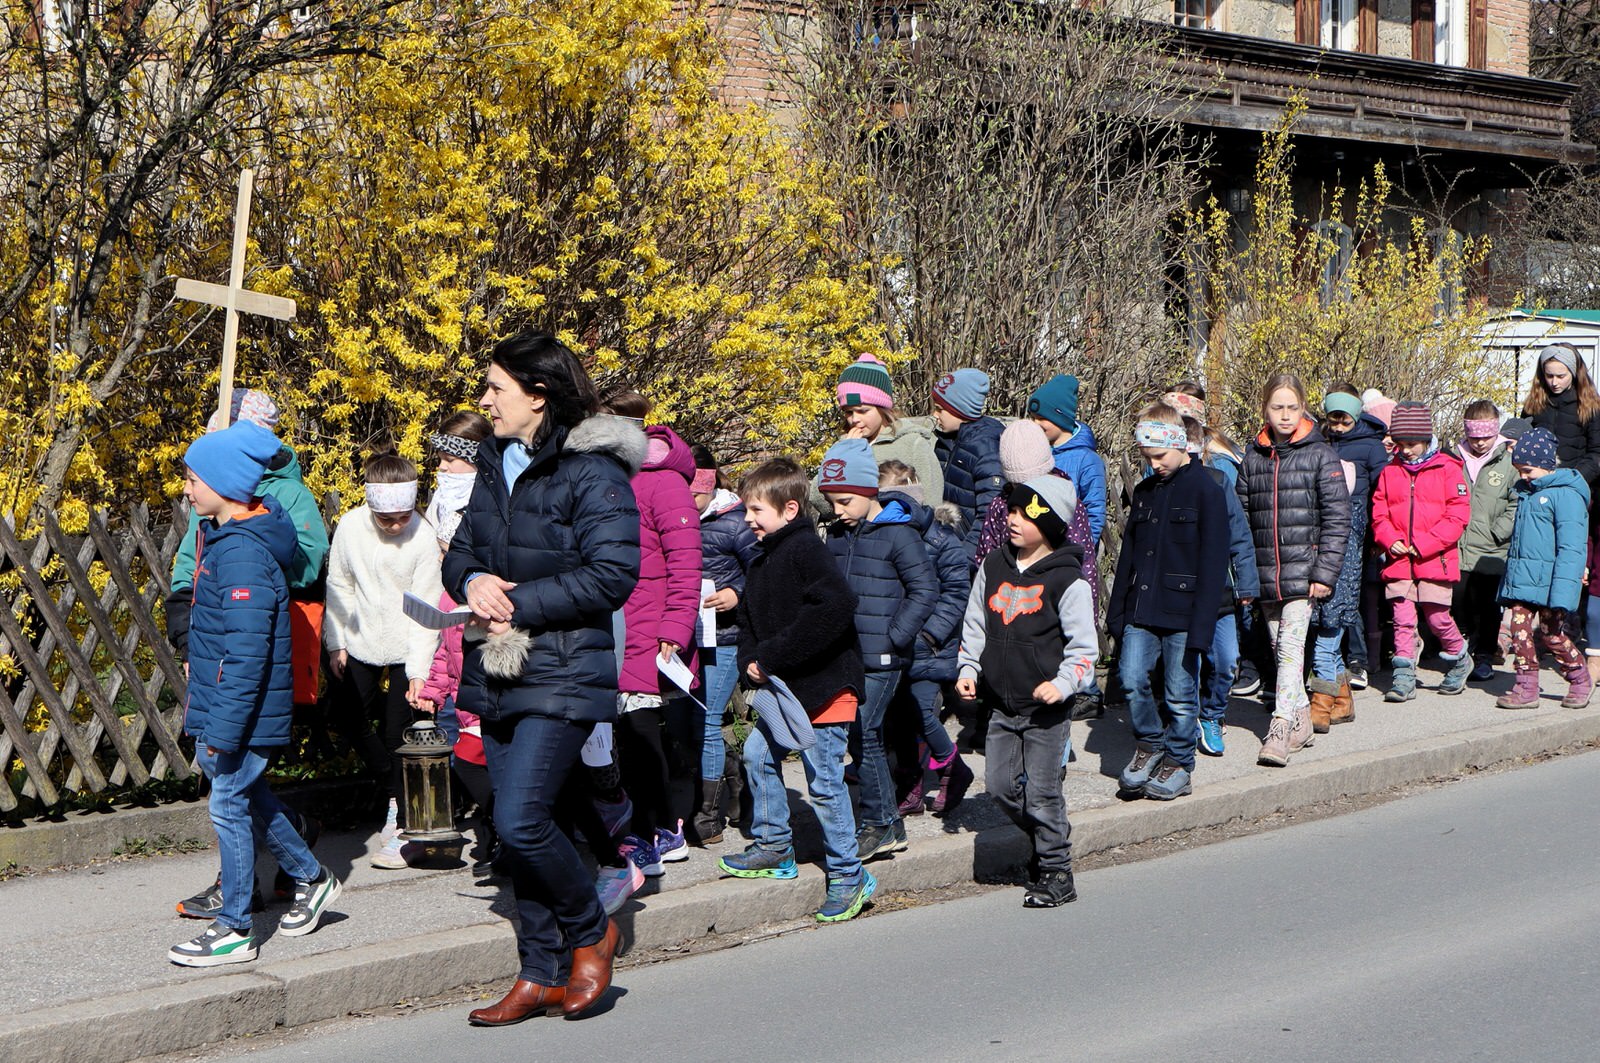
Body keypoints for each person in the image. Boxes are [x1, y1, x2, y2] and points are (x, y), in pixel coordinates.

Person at [445, 331, 644, 1024]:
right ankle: (540, 970)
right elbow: (462, 551)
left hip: (562, 671)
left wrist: (514, 601)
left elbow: (614, 573)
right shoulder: (494, 463)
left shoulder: (593, 471)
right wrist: (471, 579)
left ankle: (592, 930)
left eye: (496, 387)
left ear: (538, 394)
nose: (484, 400)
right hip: (499, 669)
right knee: (529, 824)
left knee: (520, 818)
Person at [168, 420, 342, 967]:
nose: (187, 489)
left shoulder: (241, 552)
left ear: (226, 483)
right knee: (251, 796)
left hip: (241, 711)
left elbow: (246, 657)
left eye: (195, 478)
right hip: (232, 707)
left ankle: (235, 927)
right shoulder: (227, 539)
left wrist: (221, 730)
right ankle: (312, 878)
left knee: (228, 804)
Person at [718, 458, 878, 924]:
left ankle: (849, 875)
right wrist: (753, 659)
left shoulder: (806, 548)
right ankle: (774, 846)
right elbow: (748, 618)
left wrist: (772, 657)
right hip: (789, 690)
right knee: (755, 755)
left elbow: (836, 606)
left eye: (754, 510)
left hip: (825, 689)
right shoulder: (766, 555)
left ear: (790, 509)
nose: (747, 519)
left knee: (824, 783)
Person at [956, 475, 1095, 908]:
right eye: (1011, 511)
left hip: (1046, 711)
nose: (1012, 520)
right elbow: (976, 622)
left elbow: (1084, 649)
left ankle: (1057, 871)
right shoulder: (994, 566)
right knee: (999, 786)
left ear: (1049, 524)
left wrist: (1063, 684)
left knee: (1043, 792)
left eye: (1024, 514)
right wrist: (968, 666)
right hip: (1000, 703)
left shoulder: (1067, 580)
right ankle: (1044, 838)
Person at [818, 438, 938, 861]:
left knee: (864, 731)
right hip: (848, 653)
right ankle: (886, 822)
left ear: (868, 491)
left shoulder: (898, 534)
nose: (838, 511)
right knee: (861, 733)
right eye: (832, 502)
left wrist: (895, 637)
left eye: (845, 501)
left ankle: (881, 822)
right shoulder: (837, 533)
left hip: (884, 655)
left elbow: (925, 589)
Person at [323, 453, 445, 869]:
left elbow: (427, 605)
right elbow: (339, 581)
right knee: (345, 715)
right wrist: (335, 640)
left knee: (397, 732)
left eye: (402, 517)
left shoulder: (423, 537)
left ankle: (400, 813)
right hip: (358, 637)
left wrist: (418, 670)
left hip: (406, 638)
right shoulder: (351, 527)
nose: (395, 526)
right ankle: (392, 789)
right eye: (385, 518)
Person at [1108, 405, 1229, 800]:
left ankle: (1179, 761)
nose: (1154, 464)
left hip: (1183, 615)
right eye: (1147, 457)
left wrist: (1202, 630)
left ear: (1180, 446)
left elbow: (1213, 566)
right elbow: (1129, 558)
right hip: (1143, 611)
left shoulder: (1207, 491)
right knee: (1130, 679)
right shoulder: (1143, 494)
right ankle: (1149, 744)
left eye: (1160, 456)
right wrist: (1118, 613)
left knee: (1180, 693)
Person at [606, 392, 703, 873]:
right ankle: (643, 828)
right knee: (621, 738)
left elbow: (686, 565)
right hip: (612, 625)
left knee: (640, 736)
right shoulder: (605, 478)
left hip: (650, 628)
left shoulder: (664, 483)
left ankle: (661, 832)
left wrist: (675, 629)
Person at [1236, 373, 1351, 767]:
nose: (1285, 415)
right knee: (1279, 648)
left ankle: (1281, 726)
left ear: (1303, 408)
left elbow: (1338, 518)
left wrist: (1325, 572)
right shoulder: (1253, 458)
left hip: (1305, 574)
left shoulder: (1321, 455)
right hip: (1266, 575)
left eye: (1292, 407)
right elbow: (1243, 520)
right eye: (1276, 407)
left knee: (1287, 650)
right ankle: (1302, 718)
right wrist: (1245, 574)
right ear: (1264, 409)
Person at [415, 417, 497, 881]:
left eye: (450, 460)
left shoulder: (489, 506)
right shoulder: (449, 583)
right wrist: (433, 685)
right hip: (463, 682)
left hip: (493, 668)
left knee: (478, 762)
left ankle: (501, 836)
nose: (442, 470)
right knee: (471, 761)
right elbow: (446, 644)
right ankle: (493, 841)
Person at [876, 460, 975, 818]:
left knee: (921, 714)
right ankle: (911, 787)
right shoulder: (884, 536)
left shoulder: (941, 540)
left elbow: (956, 592)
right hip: (897, 643)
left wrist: (930, 634)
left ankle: (953, 768)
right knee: (898, 718)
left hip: (931, 647)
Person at [682, 446, 760, 845]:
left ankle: (708, 816)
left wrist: (736, 594)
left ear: (708, 486)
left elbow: (763, 573)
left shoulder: (736, 524)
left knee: (709, 719)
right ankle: (733, 790)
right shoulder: (678, 519)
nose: (686, 503)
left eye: (692, 494)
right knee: (693, 723)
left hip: (724, 637)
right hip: (684, 636)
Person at [1371, 402, 1472, 702]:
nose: (1406, 450)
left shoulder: (1447, 468)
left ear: (1427, 439)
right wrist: (1389, 539)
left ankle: (1459, 658)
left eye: (1411, 444)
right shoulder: (1390, 472)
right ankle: (1403, 675)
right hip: (1400, 559)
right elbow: (1379, 512)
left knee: (1437, 617)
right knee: (1402, 617)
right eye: (1400, 444)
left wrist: (1427, 543)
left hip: (1435, 558)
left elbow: (1458, 515)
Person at [1177, 415, 1260, 759]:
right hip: (1181, 592)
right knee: (1188, 663)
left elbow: (1239, 534)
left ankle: (1212, 712)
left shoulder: (1217, 482)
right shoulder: (1158, 486)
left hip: (1220, 590)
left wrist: (1246, 583)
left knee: (1226, 659)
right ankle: (1190, 717)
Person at [1496, 428, 1593, 710]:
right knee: (1519, 630)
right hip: (1525, 581)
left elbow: (1572, 548)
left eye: (1528, 470)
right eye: (1519, 471)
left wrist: (1564, 591)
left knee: (1552, 635)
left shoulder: (1566, 496)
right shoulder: (1527, 494)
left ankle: (1579, 678)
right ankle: (1526, 687)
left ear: (1547, 464)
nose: (1523, 477)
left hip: (1552, 583)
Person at [810, 353, 943, 516]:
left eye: (863, 411)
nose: (854, 419)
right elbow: (820, 503)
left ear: (883, 408)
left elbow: (932, 505)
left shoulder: (912, 444)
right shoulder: (843, 447)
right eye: (848, 412)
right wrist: (844, 456)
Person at [1323, 386, 1389, 690]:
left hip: (1358, 527)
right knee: (1329, 593)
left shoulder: (1370, 446)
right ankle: (1327, 655)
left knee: (1355, 593)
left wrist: (1378, 532)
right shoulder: (1321, 441)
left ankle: (1357, 657)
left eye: (1344, 422)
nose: (1337, 428)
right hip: (1325, 527)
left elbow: (1382, 491)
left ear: (1355, 416)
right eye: (1332, 421)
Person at [1447, 402, 1519, 683]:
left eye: (1485, 438)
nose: (1479, 444)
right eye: (1474, 438)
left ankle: (1485, 656)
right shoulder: (1454, 459)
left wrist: (1499, 531)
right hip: (1458, 546)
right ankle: (1463, 651)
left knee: (1488, 608)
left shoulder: (1509, 463)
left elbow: (1516, 501)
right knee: (1458, 601)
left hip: (1491, 550)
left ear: (1495, 432)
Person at [1026, 373, 1107, 546]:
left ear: (1059, 417)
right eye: (1032, 417)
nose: (1035, 423)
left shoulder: (1087, 459)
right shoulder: (1035, 450)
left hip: (1068, 551)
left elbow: (1094, 511)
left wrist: (1081, 553)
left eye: (1041, 418)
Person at [931, 368, 1005, 547]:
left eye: (940, 409)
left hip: (967, 554)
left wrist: (964, 558)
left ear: (961, 410)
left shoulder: (986, 448)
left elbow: (988, 515)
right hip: (946, 545)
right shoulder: (945, 442)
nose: (935, 415)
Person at [1521, 343, 1600, 486]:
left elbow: (1596, 453)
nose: (1554, 382)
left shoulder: (1590, 406)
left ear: (1574, 373)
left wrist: (1573, 479)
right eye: (1549, 375)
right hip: (1538, 485)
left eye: (1561, 376)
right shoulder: (1533, 405)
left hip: (1576, 485)